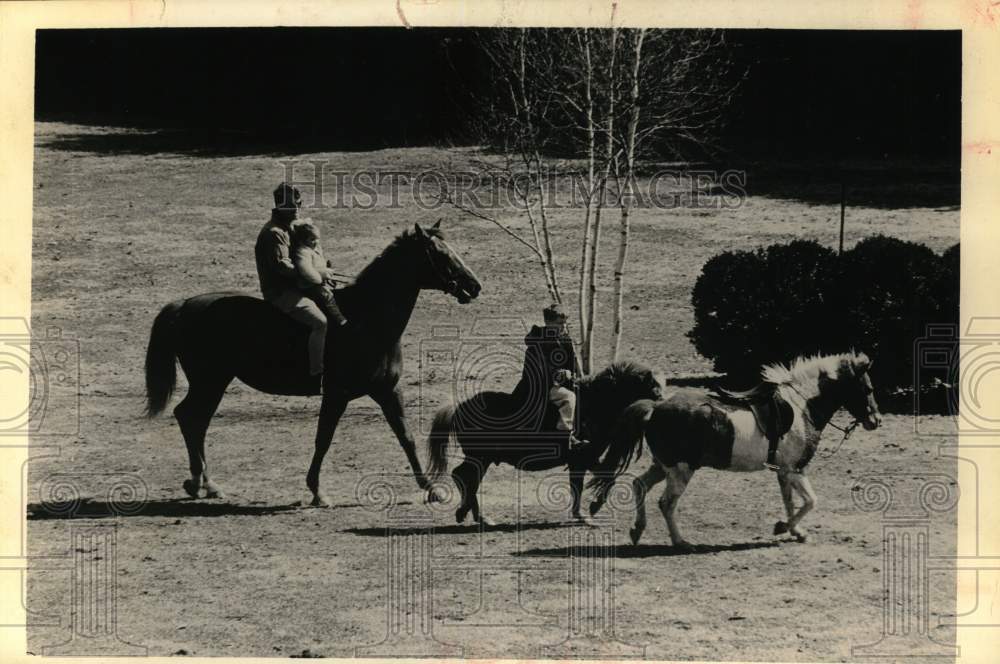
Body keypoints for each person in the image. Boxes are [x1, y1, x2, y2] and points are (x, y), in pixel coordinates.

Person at [254, 182, 332, 382]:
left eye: (299, 202)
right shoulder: (274, 233)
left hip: (300, 287)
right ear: (279, 205)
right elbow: (283, 267)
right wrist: (314, 274)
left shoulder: (293, 226)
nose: (297, 208)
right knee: (320, 323)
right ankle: (318, 373)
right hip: (281, 293)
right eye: (291, 205)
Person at [512, 303, 588, 450]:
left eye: (565, 323)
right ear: (548, 323)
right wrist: (558, 375)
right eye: (559, 323)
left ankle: (583, 431)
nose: (563, 327)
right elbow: (537, 370)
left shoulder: (565, 341)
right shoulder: (538, 342)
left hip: (562, 383)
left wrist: (570, 374)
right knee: (569, 398)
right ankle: (564, 436)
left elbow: (572, 366)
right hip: (539, 386)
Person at [289, 220, 348, 330]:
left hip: (319, 281)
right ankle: (339, 318)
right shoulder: (302, 253)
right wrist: (321, 277)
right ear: (303, 241)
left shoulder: (314, 249)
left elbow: (319, 264)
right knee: (326, 296)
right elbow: (306, 271)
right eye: (312, 239)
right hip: (309, 284)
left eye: (317, 239)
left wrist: (327, 269)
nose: (316, 242)